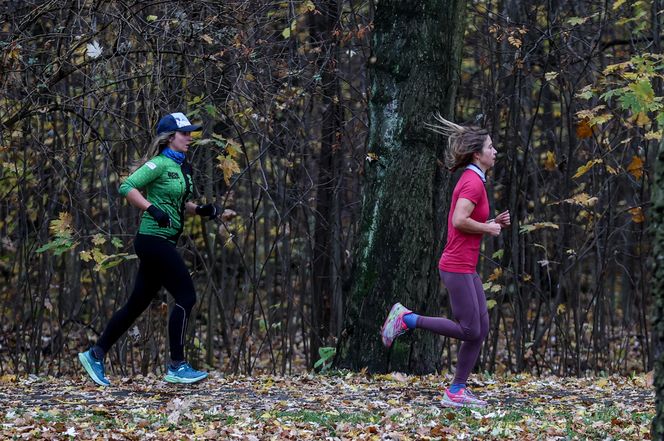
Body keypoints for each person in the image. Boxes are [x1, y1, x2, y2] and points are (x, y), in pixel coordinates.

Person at [79, 112, 222, 386]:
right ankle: (177, 366)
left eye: (191, 133)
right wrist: (150, 208)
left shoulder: (181, 168)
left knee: (136, 304)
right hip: (152, 240)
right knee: (186, 296)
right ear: (170, 137)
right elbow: (127, 186)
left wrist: (203, 210)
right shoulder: (158, 164)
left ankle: (95, 354)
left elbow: (179, 205)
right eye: (184, 133)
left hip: (162, 241)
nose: (189, 138)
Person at [380, 114, 510, 408]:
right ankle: (406, 318)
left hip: (465, 265)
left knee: (481, 329)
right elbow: (459, 220)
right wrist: (488, 228)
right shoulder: (472, 183)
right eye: (490, 147)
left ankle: (457, 391)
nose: (495, 151)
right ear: (478, 153)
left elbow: (465, 222)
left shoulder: (474, 179)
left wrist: (492, 221)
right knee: (469, 330)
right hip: (456, 265)